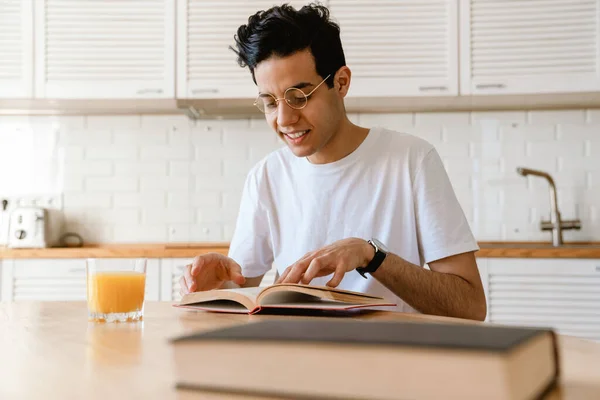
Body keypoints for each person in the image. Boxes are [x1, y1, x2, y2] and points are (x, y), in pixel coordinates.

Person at [180, 3, 487, 320]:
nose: (284, 119)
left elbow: (471, 306)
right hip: (295, 358)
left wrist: (371, 256)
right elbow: (244, 289)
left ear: (340, 83)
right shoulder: (266, 177)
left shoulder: (412, 161)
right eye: (270, 102)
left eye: (299, 97)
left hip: (390, 360)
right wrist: (216, 287)